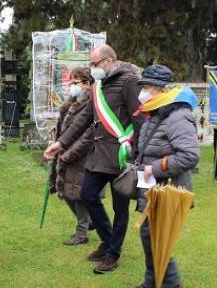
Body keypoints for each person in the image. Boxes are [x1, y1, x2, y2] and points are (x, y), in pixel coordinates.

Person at [44, 45, 144, 274]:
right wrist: (61, 143)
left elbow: (138, 119)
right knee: (88, 195)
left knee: (121, 208)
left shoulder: (128, 81)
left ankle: (113, 254)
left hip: (121, 154)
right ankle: (108, 240)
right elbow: (84, 119)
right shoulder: (98, 85)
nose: (92, 68)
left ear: (108, 61)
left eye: (95, 63)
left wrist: (137, 153)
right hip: (99, 155)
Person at [124, 65, 200, 288]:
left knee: (156, 234)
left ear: (159, 89)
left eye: (146, 87)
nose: (142, 92)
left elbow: (189, 155)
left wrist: (153, 169)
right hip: (151, 185)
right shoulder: (154, 113)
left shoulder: (177, 116)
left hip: (166, 187)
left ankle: (169, 281)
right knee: (148, 233)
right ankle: (152, 280)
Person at [53, 67, 95, 245]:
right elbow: (65, 127)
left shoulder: (91, 103)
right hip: (66, 151)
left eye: (75, 82)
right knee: (66, 192)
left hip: (82, 154)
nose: (72, 86)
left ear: (87, 83)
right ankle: (90, 222)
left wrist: (70, 151)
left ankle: (82, 233)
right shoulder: (71, 101)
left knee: (77, 194)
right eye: (71, 82)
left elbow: (87, 133)